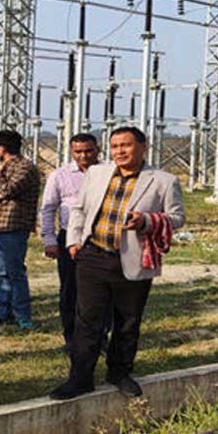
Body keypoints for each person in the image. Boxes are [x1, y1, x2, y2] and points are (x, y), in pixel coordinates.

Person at [50, 126, 185, 400]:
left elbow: (177, 217)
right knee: (87, 320)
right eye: (114, 146)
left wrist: (147, 221)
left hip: (134, 260)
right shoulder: (97, 173)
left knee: (127, 320)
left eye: (126, 145)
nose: (120, 151)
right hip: (93, 256)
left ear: (143, 146)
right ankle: (80, 378)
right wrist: (74, 242)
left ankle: (119, 372)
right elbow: (80, 208)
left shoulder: (163, 180)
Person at [39, 133, 101, 350]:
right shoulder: (59, 176)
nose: (84, 155)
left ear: (98, 150)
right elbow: (48, 209)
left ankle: (99, 336)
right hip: (70, 237)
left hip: (101, 238)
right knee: (70, 289)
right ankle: (72, 337)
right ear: (71, 151)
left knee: (101, 290)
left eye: (89, 150)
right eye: (78, 151)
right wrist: (49, 239)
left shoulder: (108, 173)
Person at [0, 129, 42, 330]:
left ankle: (22, 314)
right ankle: (3, 310)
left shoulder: (25, 167)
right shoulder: (0, 167)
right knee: (1, 271)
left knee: (15, 272)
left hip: (14, 224)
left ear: (1, 148)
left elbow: (6, 191)